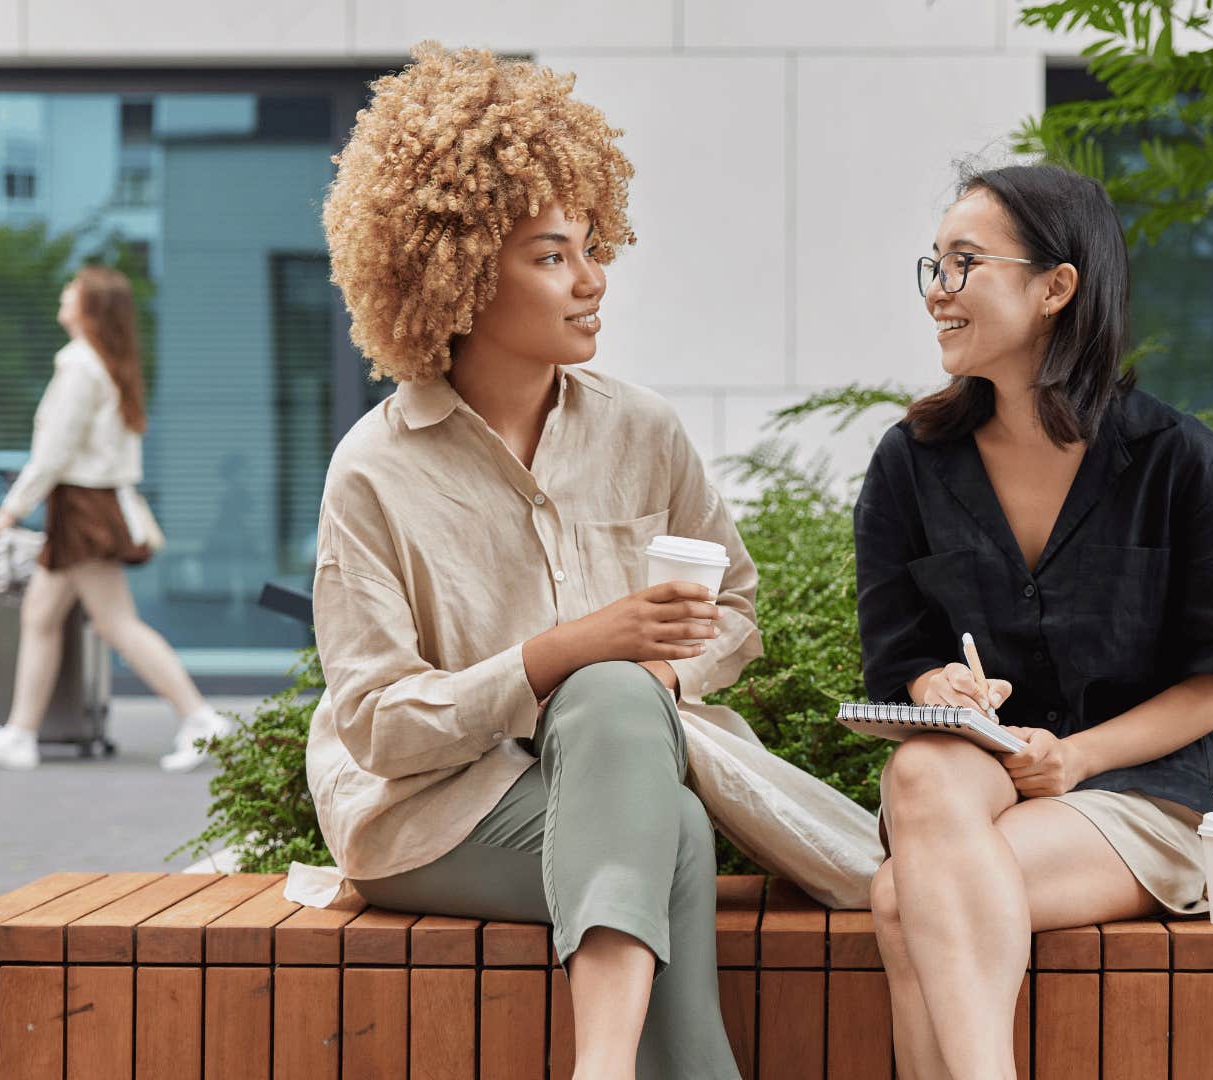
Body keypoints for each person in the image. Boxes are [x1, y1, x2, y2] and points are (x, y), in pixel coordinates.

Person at [308, 44, 759, 1080]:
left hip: (613, 769)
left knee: (625, 728)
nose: (595, 278)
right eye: (554, 254)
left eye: (596, 245)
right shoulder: (374, 471)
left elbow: (735, 604)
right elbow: (376, 726)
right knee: (663, 818)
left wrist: (667, 672)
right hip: (432, 815)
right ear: (455, 272)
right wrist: (559, 655)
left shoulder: (643, 431)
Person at [852, 163, 1213, 1079]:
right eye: (934, 266)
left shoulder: (1176, 461)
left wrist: (1075, 757)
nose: (937, 295)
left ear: (1054, 287)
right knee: (921, 763)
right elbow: (898, 655)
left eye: (964, 265)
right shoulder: (910, 463)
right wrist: (938, 686)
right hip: (969, 791)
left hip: (1139, 798)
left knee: (899, 900)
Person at [0, 266, 233, 773]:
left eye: (73, 290)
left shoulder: (81, 368)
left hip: (83, 508)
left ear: (88, 308)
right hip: (84, 506)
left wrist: (10, 510)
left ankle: (200, 718)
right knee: (40, 617)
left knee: (115, 622)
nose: (63, 294)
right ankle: (20, 734)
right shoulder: (102, 364)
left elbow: (52, 454)